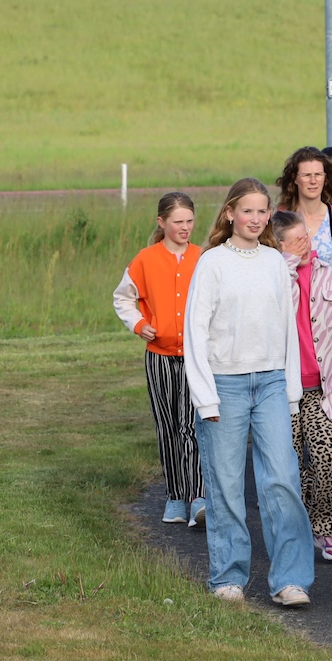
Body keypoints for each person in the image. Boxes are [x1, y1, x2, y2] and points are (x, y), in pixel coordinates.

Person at [184, 178, 314, 607]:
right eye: (248, 211)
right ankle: (228, 576)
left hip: (273, 382)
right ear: (229, 214)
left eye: (263, 212)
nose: (256, 219)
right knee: (226, 485)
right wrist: (206, 397)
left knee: (282, 480)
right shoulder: (212, 263)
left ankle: (290, 580)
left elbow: (288, 331)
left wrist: (292, 394)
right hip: (225, 384)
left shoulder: (277, 263)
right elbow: (194, 333)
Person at [271, 211, 332, 562]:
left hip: (326, 390)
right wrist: (285, 266)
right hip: (282, 393)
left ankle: (324, 528)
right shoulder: (273, 277)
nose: (306, 246)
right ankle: (293, 531)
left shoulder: (330, 275)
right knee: (290, 467)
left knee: (329, 460)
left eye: (306, 238)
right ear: (278, 245)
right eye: (296, 241)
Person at [113, 191, 205, 527]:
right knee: (168, 426)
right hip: (160, 358)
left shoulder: (203, 257)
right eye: (178, 222)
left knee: (191, 426)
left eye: (190, 221)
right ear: (161, 222)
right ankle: (175, 498)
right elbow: (123, 298)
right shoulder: (145, 260)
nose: (185, 228)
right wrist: (139, 324)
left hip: (196, 358)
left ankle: (198, 496)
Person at [276, 146, 332, 281]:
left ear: (325, 178)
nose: (313, 181)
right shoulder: (279, 221)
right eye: (306, 175)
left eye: (318, 174)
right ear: (295, 178)